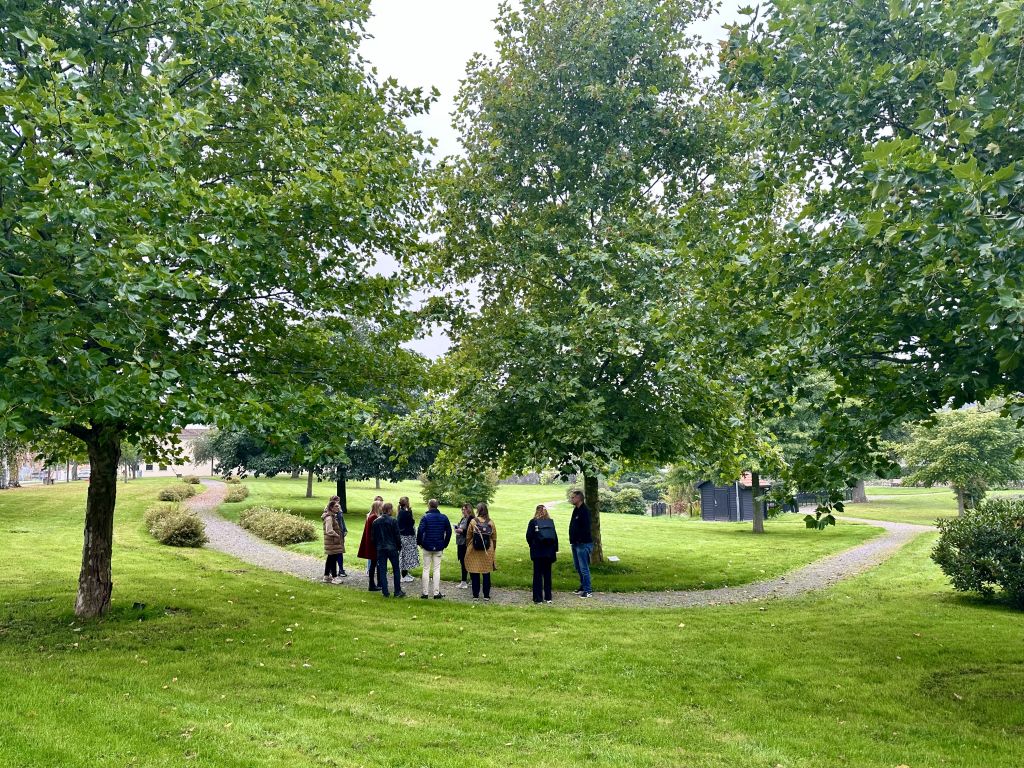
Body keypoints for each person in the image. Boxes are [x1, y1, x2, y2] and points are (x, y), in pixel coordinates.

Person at [416, 498, 452, 599]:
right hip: (439, 546)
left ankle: (425, 593)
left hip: (427, 546)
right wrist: (445, 543)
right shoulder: (443, 517)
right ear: (437, 506)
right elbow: (449, 532)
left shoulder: (425, 517)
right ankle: (436, 593)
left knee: (426, 569)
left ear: (429, 505)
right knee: (437, 570)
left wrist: (420, 543)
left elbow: (420, 531)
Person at [525, 504, 558, 603]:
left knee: (537, 575)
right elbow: (555, 537)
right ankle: (548, 597)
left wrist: (532, 545)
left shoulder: (533, 522)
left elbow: (529, 536)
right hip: (549, 552)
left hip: (538, 551)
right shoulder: (550, 522)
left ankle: (538, 598)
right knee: (547, 574)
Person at [371, 502, 405, 598]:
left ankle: (385, 591)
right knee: (396, 569)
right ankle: (397, 591)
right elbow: (397, 536)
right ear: (389, 510)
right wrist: (399, 547)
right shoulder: (393, 521)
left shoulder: (376, 522)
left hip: (381, 548)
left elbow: (373, 538)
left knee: (382, 570)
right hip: (392, 548)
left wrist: (377, 546)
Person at [464, 503, 497, 601]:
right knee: (486, 573)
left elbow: (468, 536)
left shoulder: (473, 522)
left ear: (478, 510)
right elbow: (494, 537)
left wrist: (467, 545)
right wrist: (493, 548)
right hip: (487, 550)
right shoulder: (491, 522)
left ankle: (475, 595)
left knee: (475, 573)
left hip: (474, 550)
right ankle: (486, 596)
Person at [568, 489, 593, 598]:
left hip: (583, 543)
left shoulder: (585, 511)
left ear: (579, 498)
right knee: (578, 566)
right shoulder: (576, 510)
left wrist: (579, 539)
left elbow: (586, 528)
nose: (571, 499)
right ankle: (583, 586)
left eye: (573, 497)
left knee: (584, 567)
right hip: (575, 543)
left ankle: (588, 590)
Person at [357, 499, 383, 591]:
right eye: (381, 506)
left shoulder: (372, 516)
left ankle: (377, 583)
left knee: (375, 564)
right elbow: (375, 533)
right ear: (377, 507)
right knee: (374, 564)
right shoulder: (373, 517)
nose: (382, 507)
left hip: (373, 544)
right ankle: (372, 584)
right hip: (374, 545)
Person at [322, 498, 346, 583]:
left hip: (332, 542)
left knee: (330, 558)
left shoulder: (332, 516)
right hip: (332, 542)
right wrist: (337, 535)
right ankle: (334, 578)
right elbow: (329, 530)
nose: (338, 508)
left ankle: (326, 576)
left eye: (338, 506)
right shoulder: (329, 518)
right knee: (333, 559)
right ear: (331, 508)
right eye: (336, 506)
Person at [396, 496, 419, 583]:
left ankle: (405, 573)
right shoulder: (405, 513)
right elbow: (411, 522)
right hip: (407, 536)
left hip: (403, 536)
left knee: (404, 555)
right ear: (407, 503)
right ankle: (403, 575)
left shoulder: (400, 512)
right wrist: (410, 512)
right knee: (405, 556)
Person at [453, 503, 474, 589]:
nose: (462, 511)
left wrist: (461, 531)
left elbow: (470, 532)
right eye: (462, 509)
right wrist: (457, 528)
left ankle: (464, 581)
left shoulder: (471, 519)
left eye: (464, 509)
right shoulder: (463, 518)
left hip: (466, 544)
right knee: (463, 562)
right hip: (460, 543)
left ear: (468, 509)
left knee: (466, 562)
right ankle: (468, 581)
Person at [330, 494, 348, 577]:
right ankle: (331, 569)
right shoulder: (329, 511)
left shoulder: (339, 510)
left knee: (340, 552)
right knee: (333, 552)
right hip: (334, 534)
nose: (337, 503)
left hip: (340, 533)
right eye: (336, 501)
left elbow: (342, 520)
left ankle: (341, 569)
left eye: (338, 501)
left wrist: (345, 529)